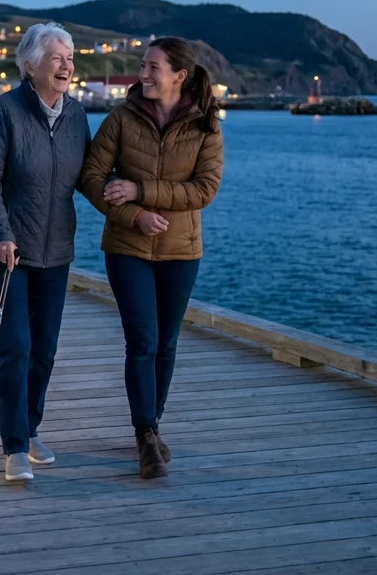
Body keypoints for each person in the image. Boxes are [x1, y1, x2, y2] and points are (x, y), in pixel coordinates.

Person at [79, 37, 224, 480]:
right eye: (143, 66)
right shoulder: (121, 119)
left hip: (182, 251)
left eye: (152, 67)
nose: (142, 74)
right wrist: (135, 216)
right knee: (142, 340)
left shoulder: (206, 126)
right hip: (127, 247)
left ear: (179, 76)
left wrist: (142, 191)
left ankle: (152, 422)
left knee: (166, 342)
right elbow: (90, 177)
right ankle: (145, 434)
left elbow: (205, 190)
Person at [0, 22, 90, 482]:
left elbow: (89, 178)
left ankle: (31, 426)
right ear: (31, 64)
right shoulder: (3, 111)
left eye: (70, 58)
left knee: (45, 349)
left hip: (55, 250)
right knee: (16, 345)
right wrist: (0, 233)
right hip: (5, 251)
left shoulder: (77, 116)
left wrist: (132, 205)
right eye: (57, 57)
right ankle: (15, 446)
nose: (67, 65)